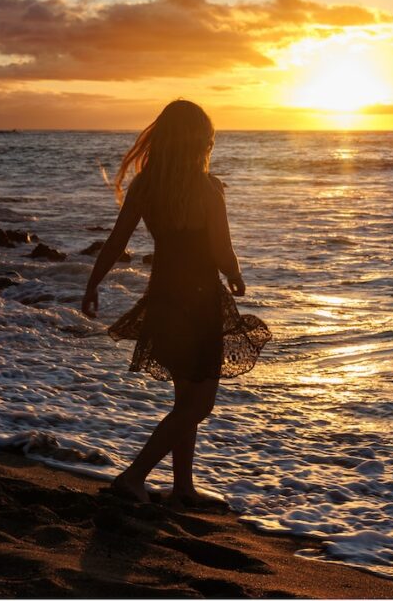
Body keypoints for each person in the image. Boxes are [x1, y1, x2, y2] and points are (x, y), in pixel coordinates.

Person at [81, 99, 270, 506]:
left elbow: (116, 242)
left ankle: (183, 488)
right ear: (201, 141)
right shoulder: (206, 189)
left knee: (186, 399)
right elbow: (222, 251)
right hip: (199, 300)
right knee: (199, 403)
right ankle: (133, 476)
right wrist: (235, 274)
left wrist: (93, 284)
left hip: (164, 297)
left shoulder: (146, 187)